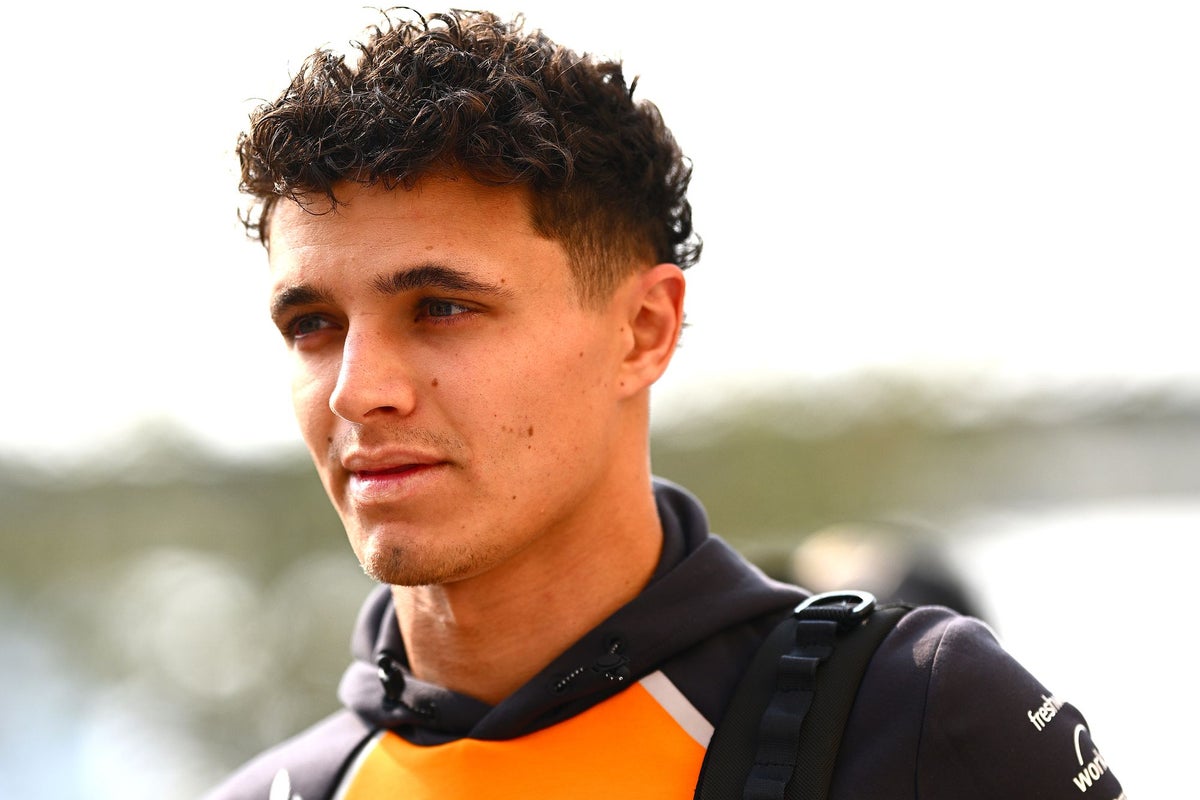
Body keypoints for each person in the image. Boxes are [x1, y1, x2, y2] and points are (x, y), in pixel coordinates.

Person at [207, 9, 1124, 799]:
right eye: (312, 325)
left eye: (441, 308)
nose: (358, 390)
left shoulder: (916, 719)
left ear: (644, 330)